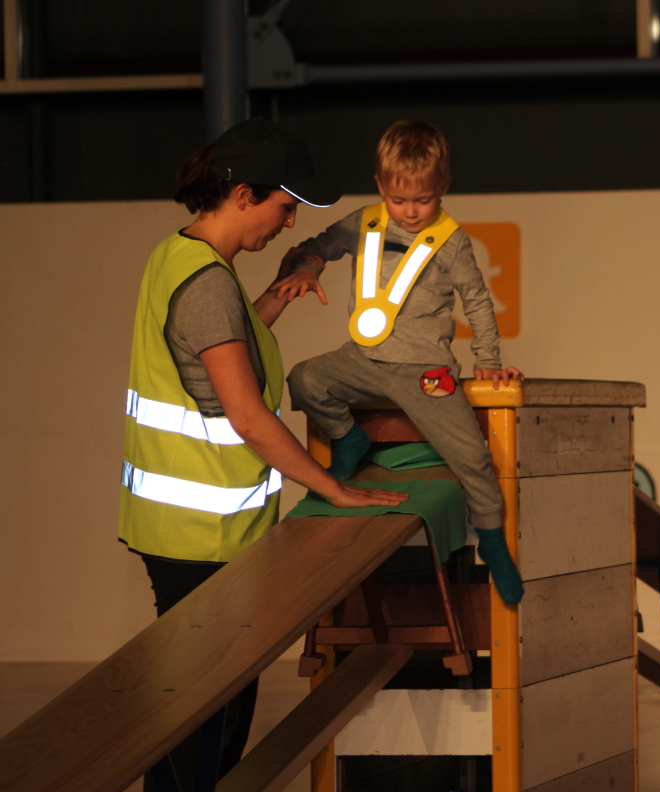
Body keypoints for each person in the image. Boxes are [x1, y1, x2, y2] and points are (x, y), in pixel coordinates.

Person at [121, 118, 408, 790]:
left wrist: (279, 292)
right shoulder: (207, 283)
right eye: (285, 206)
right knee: (204, 724)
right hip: (202, 536)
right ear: (244, 194)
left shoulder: (181, 258)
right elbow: (247, 416)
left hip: (187, 531)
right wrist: (333, 487)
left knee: (193, 715)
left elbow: (219, 346)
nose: (289, 223)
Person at [272, 119, 524, 605]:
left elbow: (477, 301)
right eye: (398, 199)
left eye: (422, 200)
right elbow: (317, 246)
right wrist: (306, 267)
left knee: (473, 459)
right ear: (380, 186)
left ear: (443, 188)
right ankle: (348, 436)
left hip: (425, 371)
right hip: (361, 359)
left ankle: (493, 542)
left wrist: (488, 359)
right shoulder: (363, 223)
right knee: (305, 379)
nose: (410, 211)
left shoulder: (451, 240)